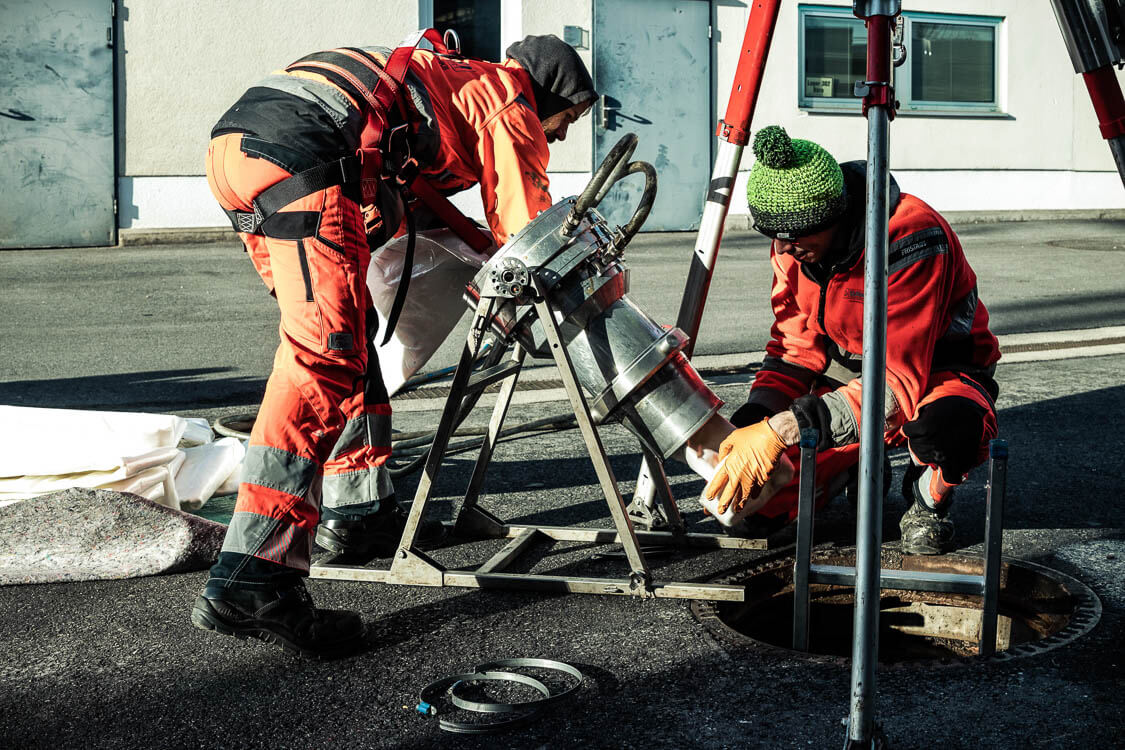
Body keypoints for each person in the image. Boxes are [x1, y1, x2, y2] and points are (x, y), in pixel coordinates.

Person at [191, 32, 596, 657]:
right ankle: (253, 574)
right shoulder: (510, 100)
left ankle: (357, 517)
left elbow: (439, 209)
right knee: (320, 360)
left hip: (240, 149)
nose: (561, 136)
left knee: (344, 346)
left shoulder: (450, 82)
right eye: (566, 120)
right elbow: (526, 230)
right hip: (303, 151)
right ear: (546, 95)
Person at [704, 125, 1000, 556]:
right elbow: (794, 348)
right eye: (773, 234)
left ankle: (928, 497)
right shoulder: (792, 245)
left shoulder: (911, 238)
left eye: (794, 235)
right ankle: (855, 462)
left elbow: (897, 385)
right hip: (851, 374)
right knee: (755, 511)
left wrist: (783, 429)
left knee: (950, 427)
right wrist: (756, 418)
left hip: (938, 371)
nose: (783, 249)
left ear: (834, 216)